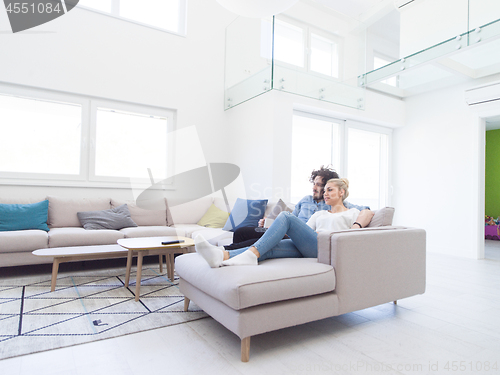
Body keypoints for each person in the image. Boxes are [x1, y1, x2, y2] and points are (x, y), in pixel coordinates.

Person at [195, 178, 374, 268]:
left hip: (327, 248)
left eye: (330, 190)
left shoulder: (352, 212)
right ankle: (221, 257)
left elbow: (369, 212)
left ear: (342, 192)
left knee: (287, 217)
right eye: (324, 190)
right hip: (310, 246)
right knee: (270, 249)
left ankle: (242, 254)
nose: (324, 193)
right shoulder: (319, 214)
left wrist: (355, 227)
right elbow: (305, 232)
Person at [224, 165, 344, 250]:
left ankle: (225, 251)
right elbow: (291, 218)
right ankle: (233, 259)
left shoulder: (334, 205)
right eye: (314, 184)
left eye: (318, 185)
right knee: (241, 232)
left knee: (254, 243)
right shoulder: (306, 200)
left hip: (296, 238)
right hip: (283, 232)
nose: (314, 188)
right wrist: (269, 223)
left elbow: (360, 210)